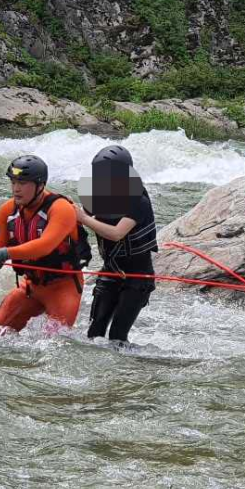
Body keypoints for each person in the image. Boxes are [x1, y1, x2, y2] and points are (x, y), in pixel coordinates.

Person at [0, 155, 91, 332]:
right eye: (13, 182)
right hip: (31, 286)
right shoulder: (6, 210)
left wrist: (6, 253)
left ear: (40, 185)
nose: (16, 189)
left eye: (22, 183)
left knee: (52, 344)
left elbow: (44, 245)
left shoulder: (61, 209)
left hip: (63, 288)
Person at [78, 145, 157, 349]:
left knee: (117, 337)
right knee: (94, 334)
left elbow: (117, 233)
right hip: (110, 272)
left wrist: (84, 219)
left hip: (137, 278)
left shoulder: (139, 201)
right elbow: (77, 219)